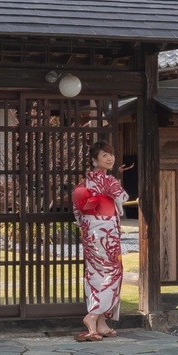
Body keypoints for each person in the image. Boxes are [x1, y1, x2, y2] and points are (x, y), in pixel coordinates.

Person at [71, 140, 131, 342]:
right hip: (106, 231)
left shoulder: (84, 183)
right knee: (114, 273)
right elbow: (123, 197)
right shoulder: (108, 181)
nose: (110, 158)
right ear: (94, 160)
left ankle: (101, 324)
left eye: (111, 154)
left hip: (90, 231)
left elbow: (78, 212)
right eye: (104, 155)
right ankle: (93, 315)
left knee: (95, 275)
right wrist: (116, 182)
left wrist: (87, 225)